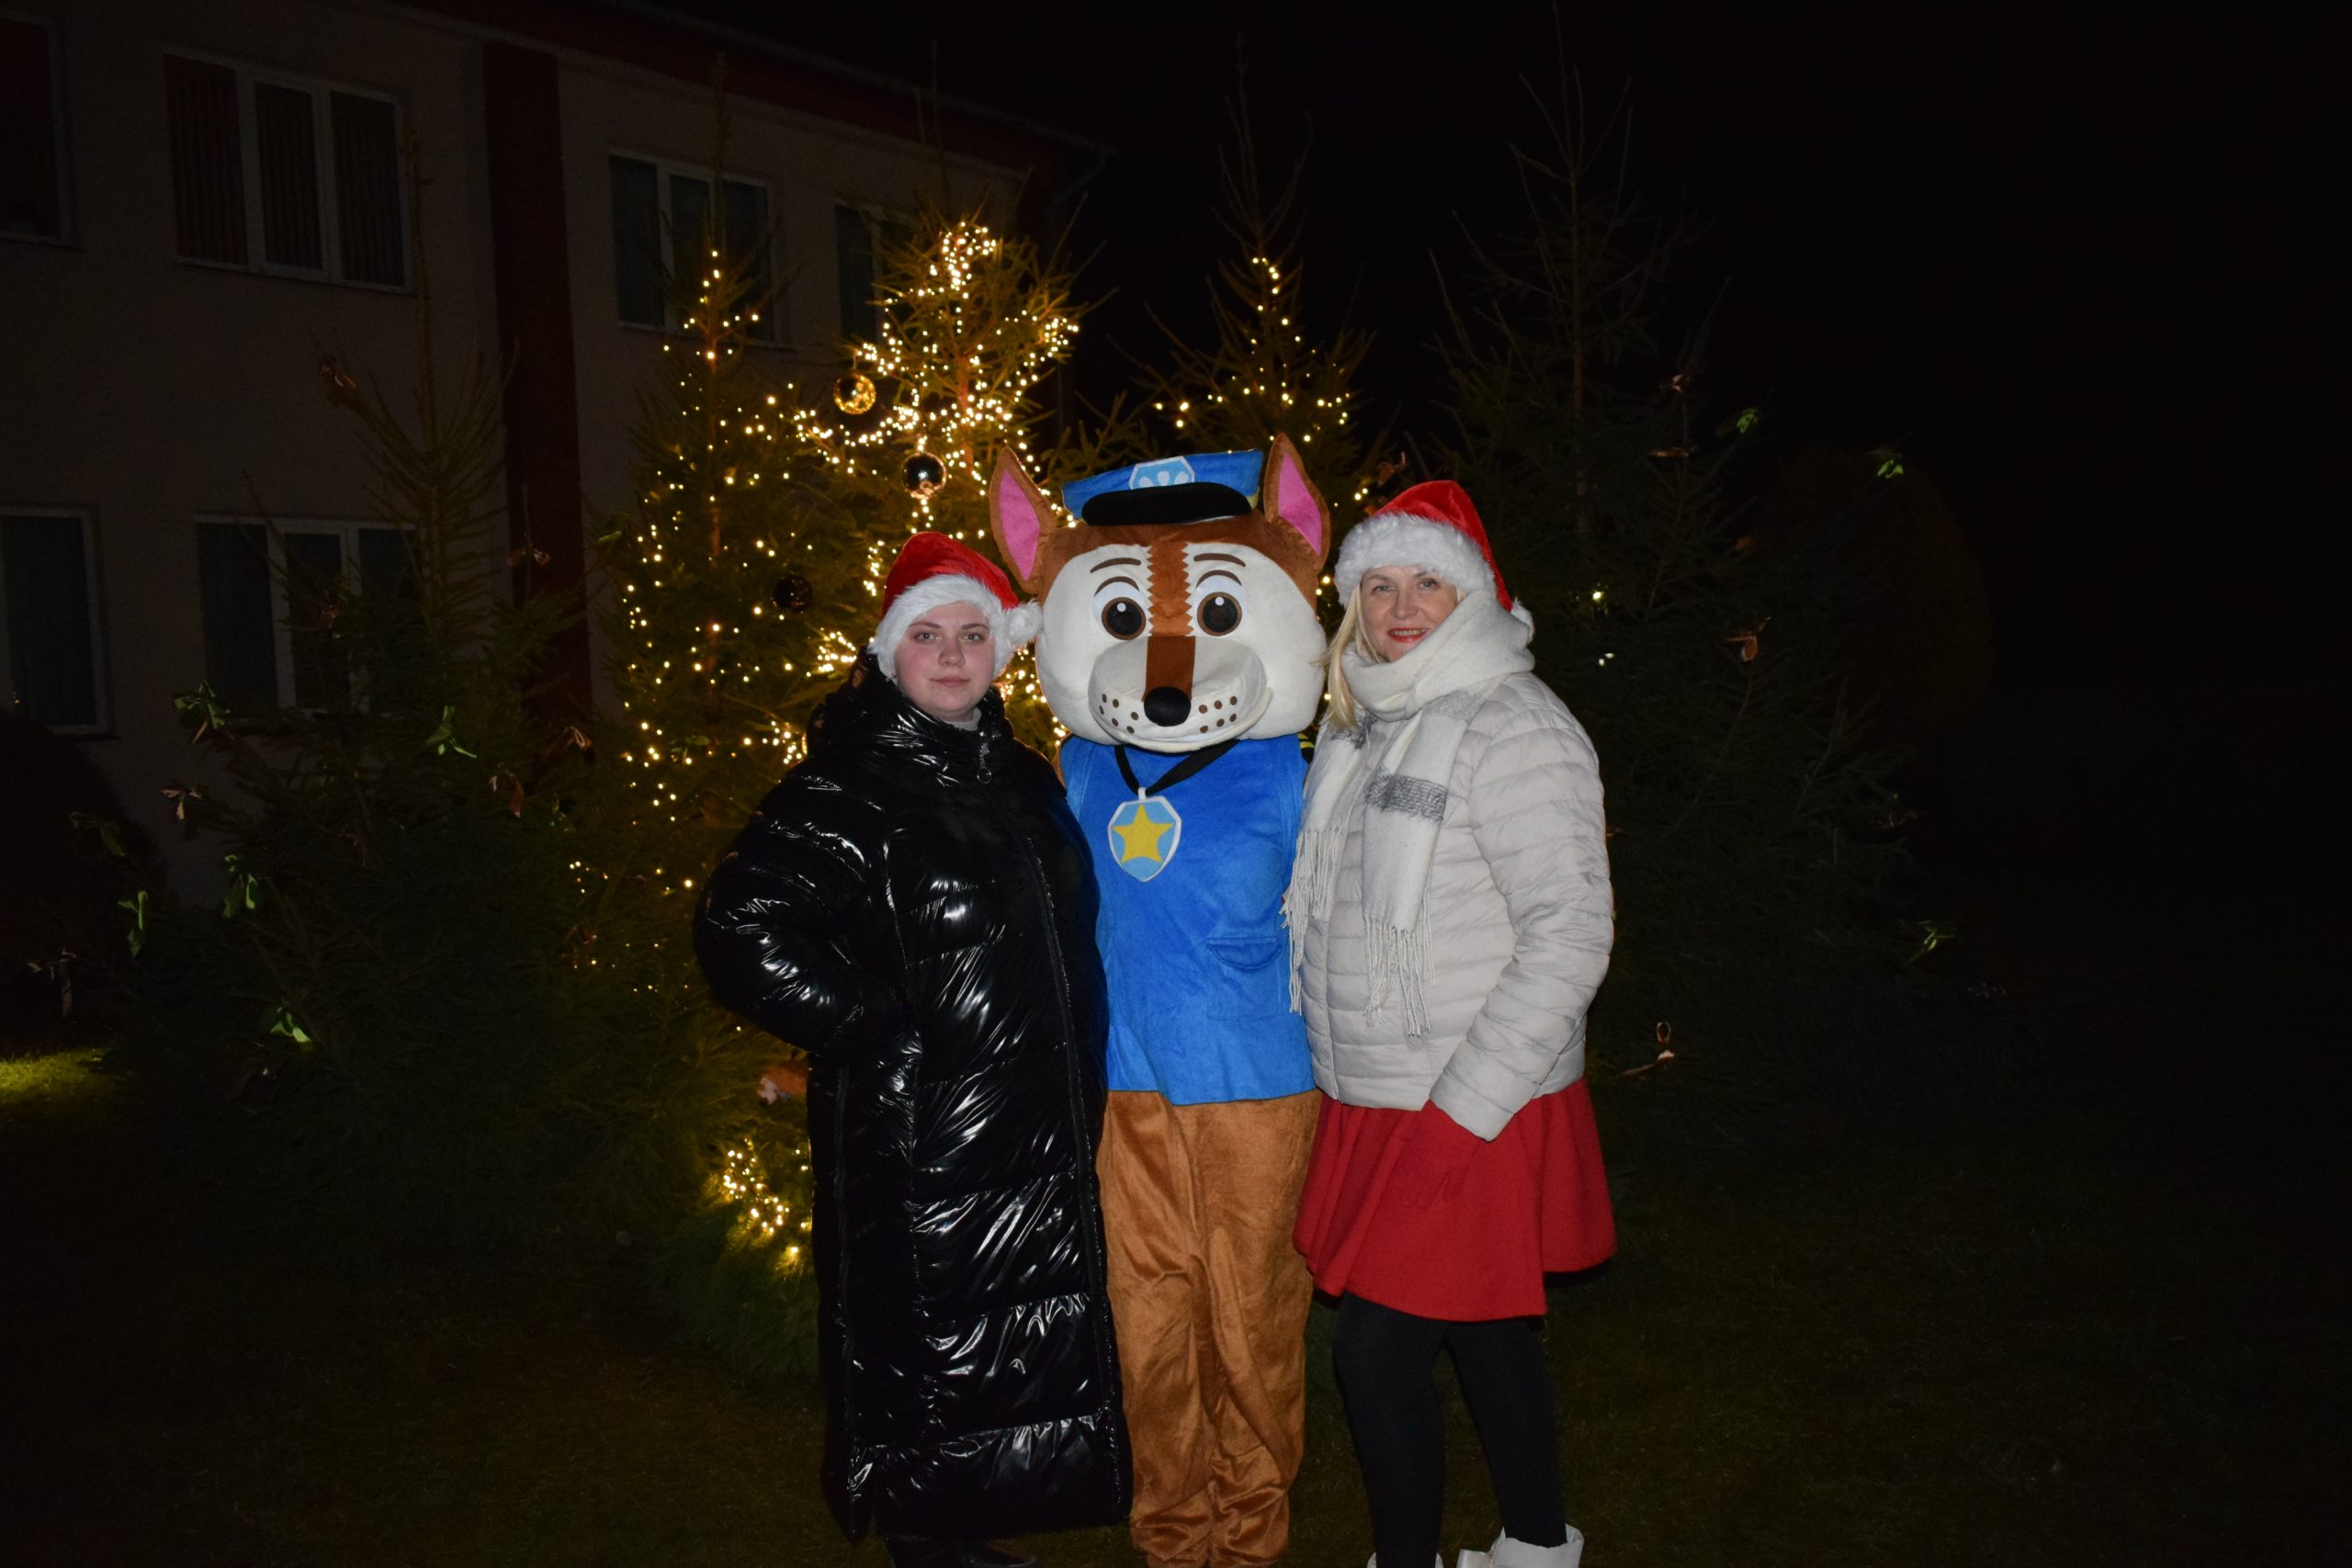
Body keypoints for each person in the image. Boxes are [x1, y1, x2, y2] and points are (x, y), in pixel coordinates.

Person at [695, 533, 1131, 1568]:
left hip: (1032, 1124)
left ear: (1001, 650)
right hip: (923, 1132)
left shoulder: (1020, 775)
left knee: (1000, 1345)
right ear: (889, 651)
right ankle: (932, 1543)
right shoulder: (849, 786)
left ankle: (969, 1533)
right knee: (931, 1350)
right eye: (927, 635)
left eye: (972, 634)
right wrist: (878, 1024)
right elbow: (739, 926)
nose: (951, 654)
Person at [1287, 483, 1617, 1568]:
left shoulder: (1514, 724)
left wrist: (1464, 1111)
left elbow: (1569, 933)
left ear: (1472, 595)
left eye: (1427, 581)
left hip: (1473, 1098)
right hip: (1386, 1089)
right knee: (1483, 1330)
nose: (1399, 608)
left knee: (1376, 1356)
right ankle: (1536, 1543)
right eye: (1378, 586)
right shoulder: (1366, 727)